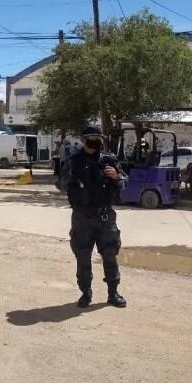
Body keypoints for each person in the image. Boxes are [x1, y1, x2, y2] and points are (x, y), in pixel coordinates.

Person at [57, 126, 128, 308]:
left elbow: (124, 182)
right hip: (82, 216)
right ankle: (85, 293)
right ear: (83, 139)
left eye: (98, 137)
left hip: (105, 216)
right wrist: (70, 177)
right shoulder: (74, 161)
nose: (95, 141)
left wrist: (117, 176)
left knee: (110, 254)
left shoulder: (109, 160)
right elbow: (60, 184)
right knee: (82, 256)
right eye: (91, 137)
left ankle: (113, 293)